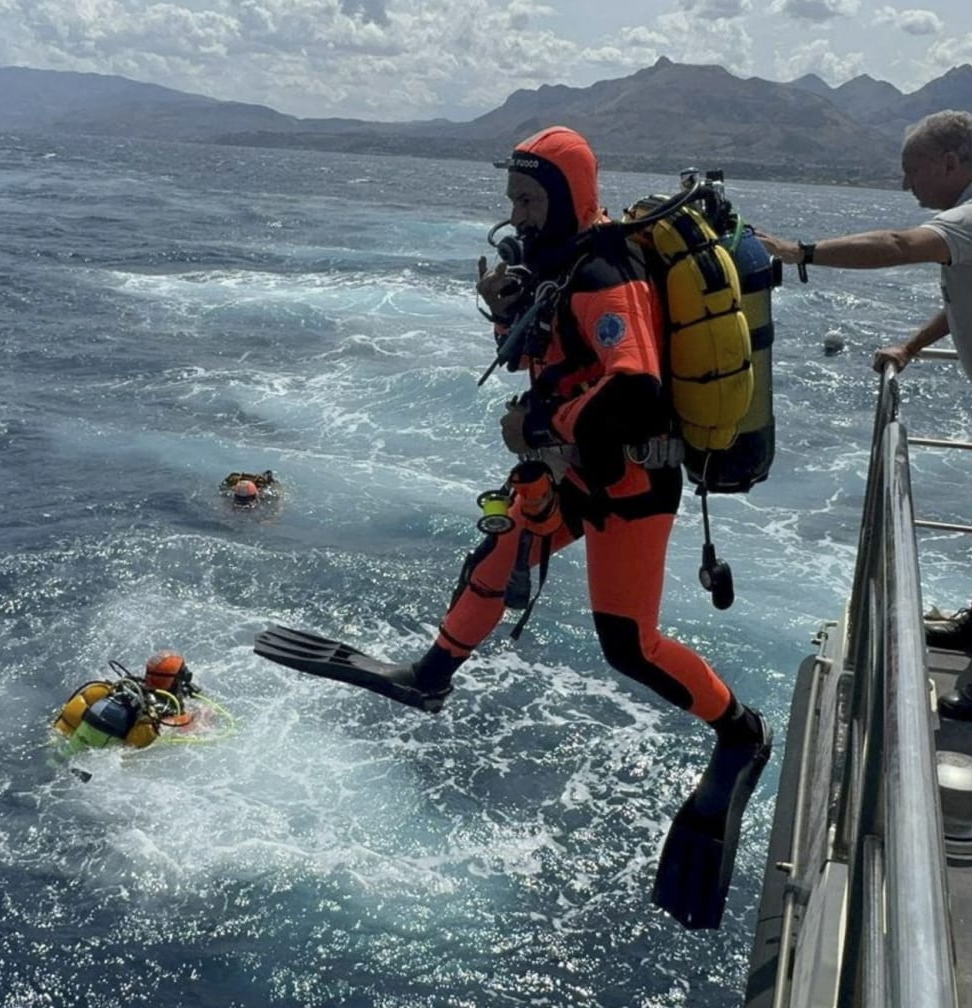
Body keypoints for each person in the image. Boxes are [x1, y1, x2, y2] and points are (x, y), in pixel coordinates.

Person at [256, 126, 770, 930]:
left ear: (567, 197)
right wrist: (505, 316)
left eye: (531, 200)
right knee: (501, 549)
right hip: (571, 469)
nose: (518, 216)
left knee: (628, 645)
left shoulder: (602, 270)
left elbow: (632, 389)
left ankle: (741, 733)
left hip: (628, 478)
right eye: (513, 200)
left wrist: (540, 420)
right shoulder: (557, 265)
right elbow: (551, 353)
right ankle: (430, 675)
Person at [757, 110, 972, 721]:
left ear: (950, 163)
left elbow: (897, 245)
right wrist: (912, 346)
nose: (905, 185)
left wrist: (798, 251)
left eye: (911, 170)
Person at [53, 651, 206, 750]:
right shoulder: (164, 708)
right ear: (179, 678)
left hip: (70, 742)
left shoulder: (125, 687)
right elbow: (193, 729)